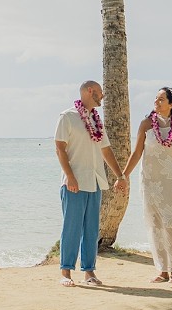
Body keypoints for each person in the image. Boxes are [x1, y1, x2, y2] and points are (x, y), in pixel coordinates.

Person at [54, 80, 128, 287]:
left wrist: (120, 176)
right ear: (90, 91)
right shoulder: (67, 117)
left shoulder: (96, 121)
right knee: (72, 228)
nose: (102, 96)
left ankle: (89, 273)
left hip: (95, 182)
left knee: (91, 229)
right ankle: (66, 273)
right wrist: (70, 176)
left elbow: (106, 150)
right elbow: (60, 148)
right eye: (100, 93)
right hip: (74, 182)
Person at [122, 87, 172, 283]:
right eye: (155, 98)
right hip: (149, 182)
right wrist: (123, 176)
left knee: (171, 225)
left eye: (161, 99)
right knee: (155, 224)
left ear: (171, 104)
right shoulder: (146, 124)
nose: (156, 102)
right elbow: (137, 153)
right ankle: (162, 270)